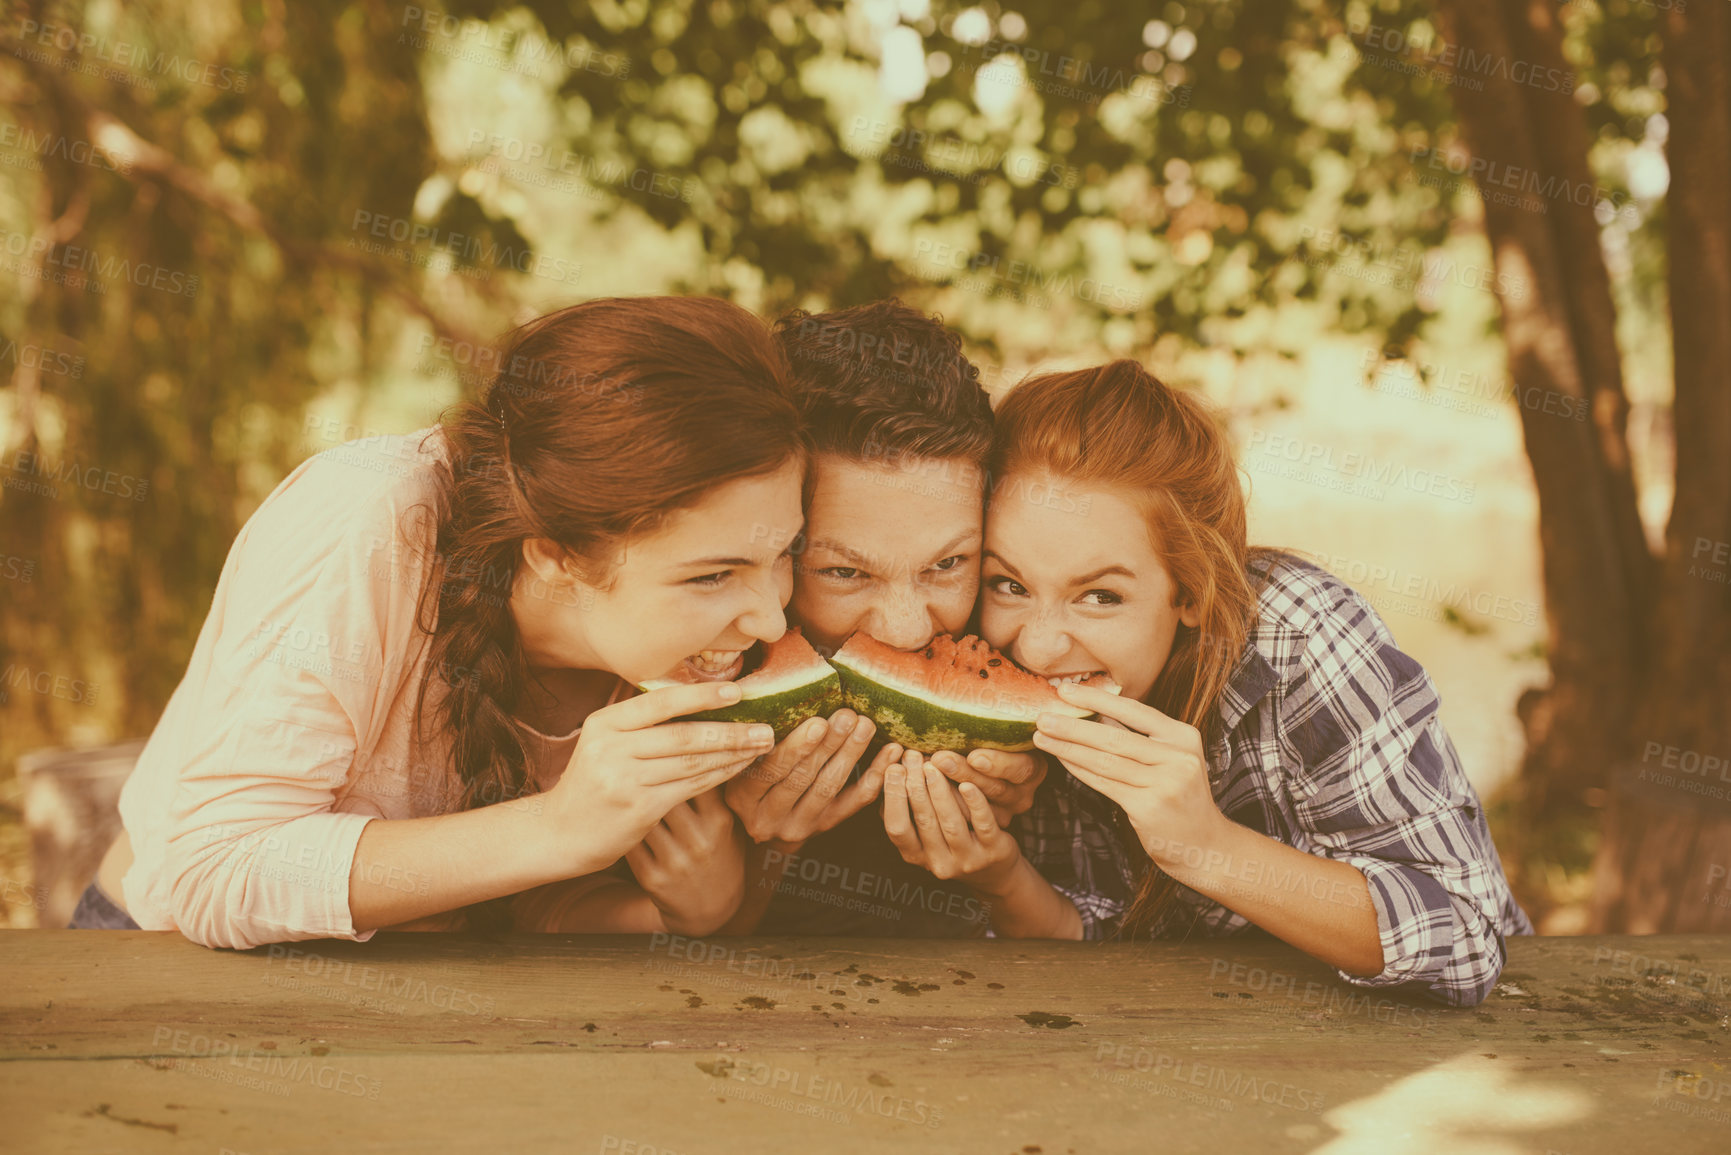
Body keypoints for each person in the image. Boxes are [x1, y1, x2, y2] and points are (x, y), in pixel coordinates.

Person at [73, 297, 806, 948]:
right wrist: (558, 825)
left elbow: (517, 901)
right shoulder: (369, 521)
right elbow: (214, 867)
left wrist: (685, 913)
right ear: (555, 556)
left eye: (786, 552)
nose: (772, 618)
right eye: (712, 574)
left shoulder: (666, 650)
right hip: (162, 966)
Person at [883, 358, 1532, 1005]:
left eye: (1100, 596)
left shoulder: (1301, 639)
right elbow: (1088, 946)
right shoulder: (961, 633)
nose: (1037, 644)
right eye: (1009, 583)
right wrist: (999, 876)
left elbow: (1468, 936)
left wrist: (1207, 846)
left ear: (1189, 591)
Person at [720, 300, 1048, 937]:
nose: (907, 631)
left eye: (948, 563)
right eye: (844, 573)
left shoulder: (1034, 628)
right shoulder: (688, 660)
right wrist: (760, 852)